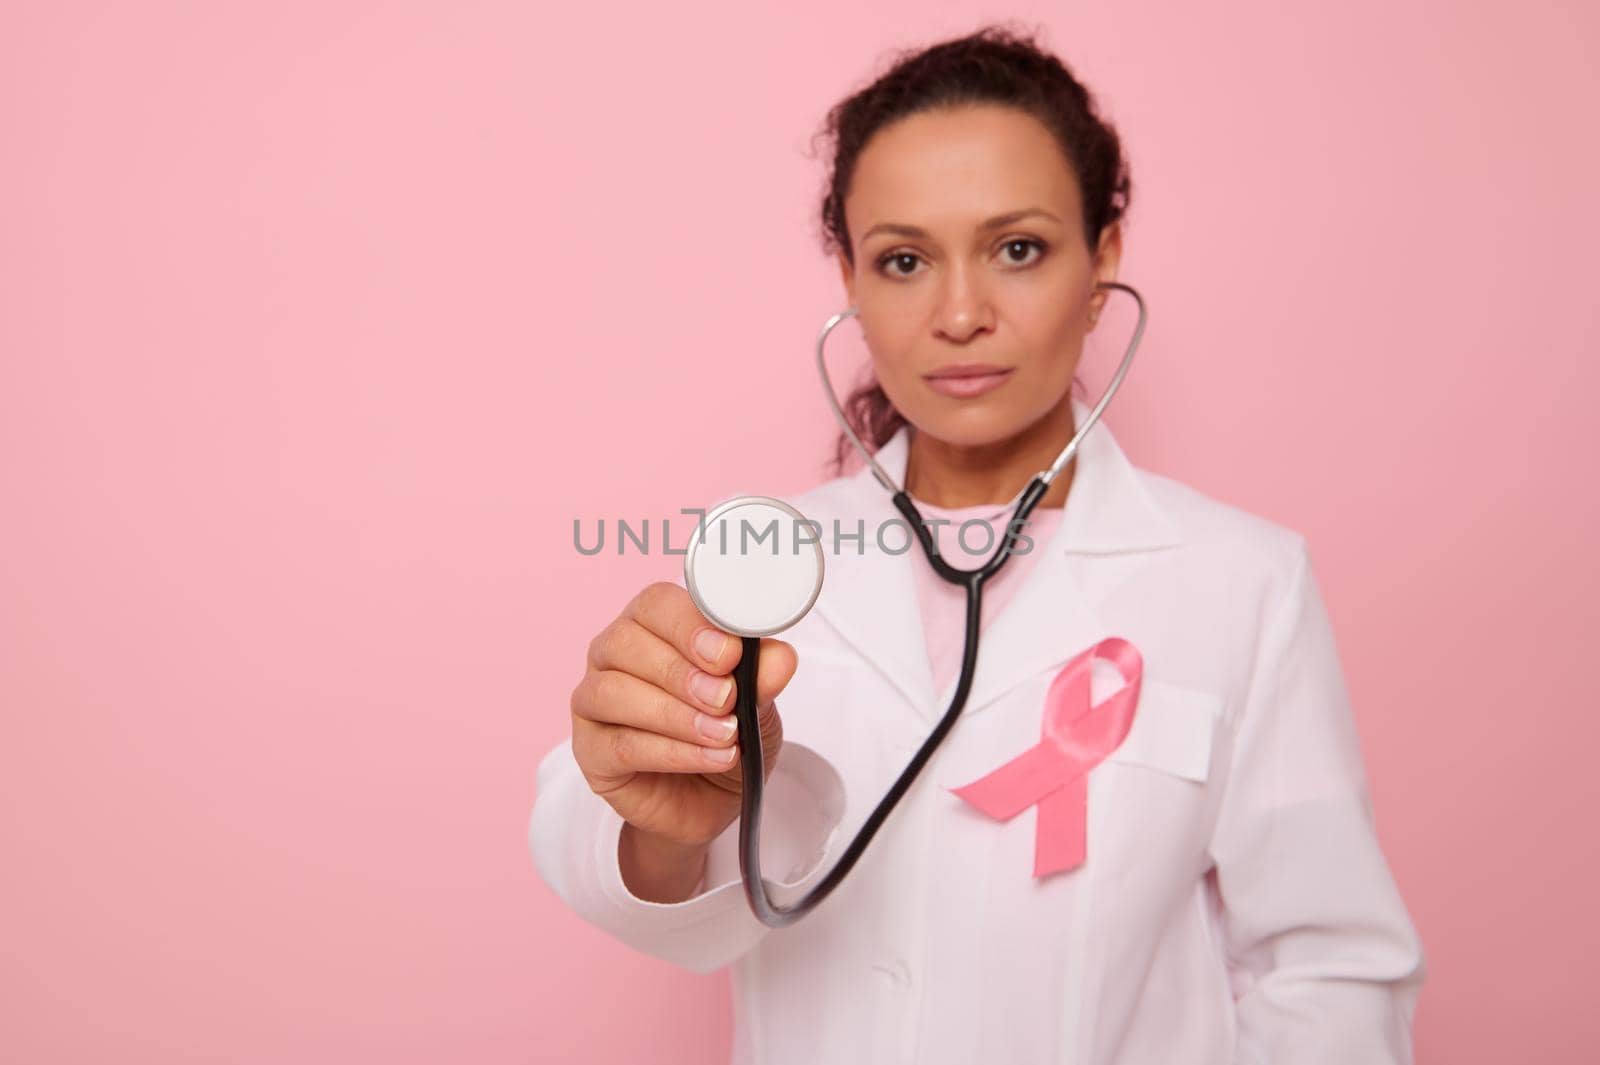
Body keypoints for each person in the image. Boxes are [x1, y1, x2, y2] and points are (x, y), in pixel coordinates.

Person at [529, 23, 1426, 1065]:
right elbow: (608, 856)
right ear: (851, 283)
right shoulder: (757, 566)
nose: (959, 313)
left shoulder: (1243, 581)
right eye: (903, 260)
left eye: (1017, 248)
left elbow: (1327, 973)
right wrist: (660, 814)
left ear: (1103, 262)